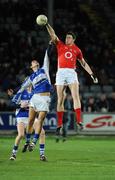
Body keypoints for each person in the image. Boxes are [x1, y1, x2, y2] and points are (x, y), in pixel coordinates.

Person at [45, 22, 98, 136]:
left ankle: (79, 121)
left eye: (69, 38)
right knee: (60, 99)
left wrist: (91, 74)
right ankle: (59, 125)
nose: (67, 39)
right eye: (66, 37)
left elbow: (83, 63)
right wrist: (47, 24)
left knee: (75, 96)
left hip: (71, 72)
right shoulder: (60, 45)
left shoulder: (77, 50)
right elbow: (53, 35)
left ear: (73, 39)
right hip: (61, 72)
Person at [16, 46, 52, 154]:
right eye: (32, 62)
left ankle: (34, 142)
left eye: (35, 61)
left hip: (45, 98)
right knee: (31, 120)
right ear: (31, 67)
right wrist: (17, 94)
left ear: (37, 65)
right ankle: (27, 141)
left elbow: (47, 56)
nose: (34, 61)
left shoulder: (44, 69)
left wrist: (50, 46)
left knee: (40, 120)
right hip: (35, 97)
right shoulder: (31, 77)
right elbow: (23, 87)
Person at [8, 86, 47, 161]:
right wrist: (20, 105)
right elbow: (11, 104)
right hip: (21, 117)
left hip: (31, 118)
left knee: (42, 132)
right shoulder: (21, 93)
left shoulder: (35, 93)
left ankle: (42, 155)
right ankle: (14, 154)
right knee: (21, 135)